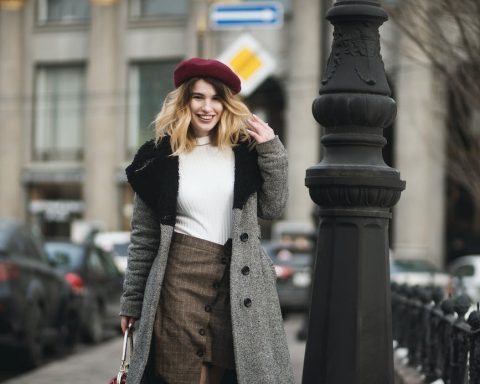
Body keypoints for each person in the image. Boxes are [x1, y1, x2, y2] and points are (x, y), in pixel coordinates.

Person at [119, 58, 294, 384]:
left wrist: (272, 150)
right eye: (198, 97)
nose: (207, 107)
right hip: (178, 281)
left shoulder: (246, 153)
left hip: (238, 281)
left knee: (225, 372)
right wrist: (131, 302)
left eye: (216, 99)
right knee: (180, 372)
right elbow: (143, 238)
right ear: (184, 100)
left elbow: (273, 208)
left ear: (227, 104)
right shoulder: (157, 158)